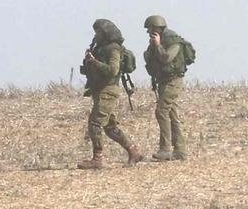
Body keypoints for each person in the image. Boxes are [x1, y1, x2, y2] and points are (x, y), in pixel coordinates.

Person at [79, 19, 144, 167]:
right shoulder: (99, 47)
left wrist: (95, 62)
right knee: (110, 127)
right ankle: (134, 152)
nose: (96, 35)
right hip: (100, 89)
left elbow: (113, 70)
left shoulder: (113, 49)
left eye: (99, 32)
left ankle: (97, 159)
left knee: (95, 123)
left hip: (108, 90)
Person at [142, 14, 197, 158]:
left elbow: (166, 58)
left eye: (150, 29)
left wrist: (158, 45)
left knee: (161, 111)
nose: (148, 32)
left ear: (157, 28)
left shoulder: (173, 41)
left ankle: (165, 149)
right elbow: (147, 56)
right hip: (163, 81)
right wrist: (154, 46)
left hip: (173, 81)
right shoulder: (155, 42)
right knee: (172, 114)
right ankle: (180, 150)